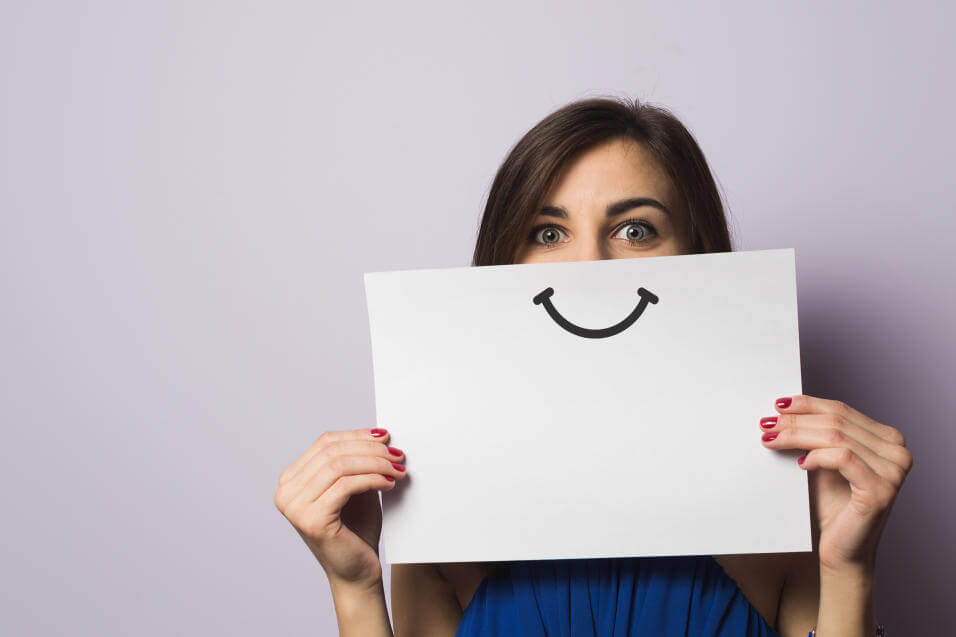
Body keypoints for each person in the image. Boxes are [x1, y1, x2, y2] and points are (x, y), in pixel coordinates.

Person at [274, 97, 912, 636]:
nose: (590, 267)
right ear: (504, 264)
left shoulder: (778, 505)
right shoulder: (443, 509)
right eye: (548, 233)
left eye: (635, 229)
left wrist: (849, 569)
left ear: (699, 255)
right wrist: (354, 585)